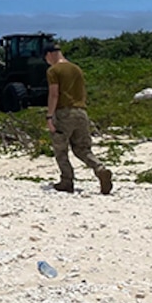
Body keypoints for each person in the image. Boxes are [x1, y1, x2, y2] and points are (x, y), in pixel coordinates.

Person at [43, 42, 112, 195]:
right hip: (82, 113)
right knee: (82, 149)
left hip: (64, 113)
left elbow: (54, 94)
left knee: (60, 149)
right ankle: (100, 168)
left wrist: (49, 116)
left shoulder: (53, 70)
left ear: (49, 54)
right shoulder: (77, 69)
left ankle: (67, 181)